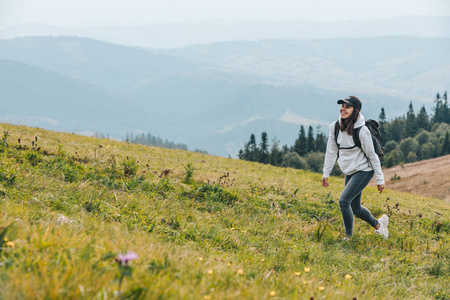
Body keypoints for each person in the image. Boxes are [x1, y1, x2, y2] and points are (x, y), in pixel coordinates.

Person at [321, 95, 389, 240]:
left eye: (347, 107)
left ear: (355, 110)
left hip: (364, 170)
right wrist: (326, 173)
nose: (343, 109)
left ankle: (348, 238)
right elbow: (331, 151)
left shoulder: (362, 131)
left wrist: (380, 179)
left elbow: (373, 156)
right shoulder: (335, 127)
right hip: (350, 170)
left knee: (344, 201)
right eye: (342, 106)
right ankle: (379, 225)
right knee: (355, 208)